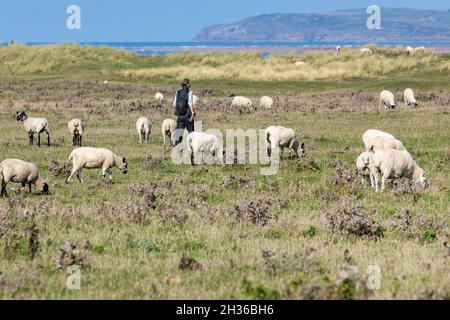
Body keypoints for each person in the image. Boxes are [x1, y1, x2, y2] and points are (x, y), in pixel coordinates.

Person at [173, 78, 195, 146]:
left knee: (178, 134)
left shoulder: (178, 92)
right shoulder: (189, 92)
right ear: (188, 84)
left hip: (179, 116)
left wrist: (180, 110)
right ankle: (192, 148)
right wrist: (193, 113)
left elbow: (174, 104)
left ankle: (176, 148)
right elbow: (190, 103)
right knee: (191, 133)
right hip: (188, 116)